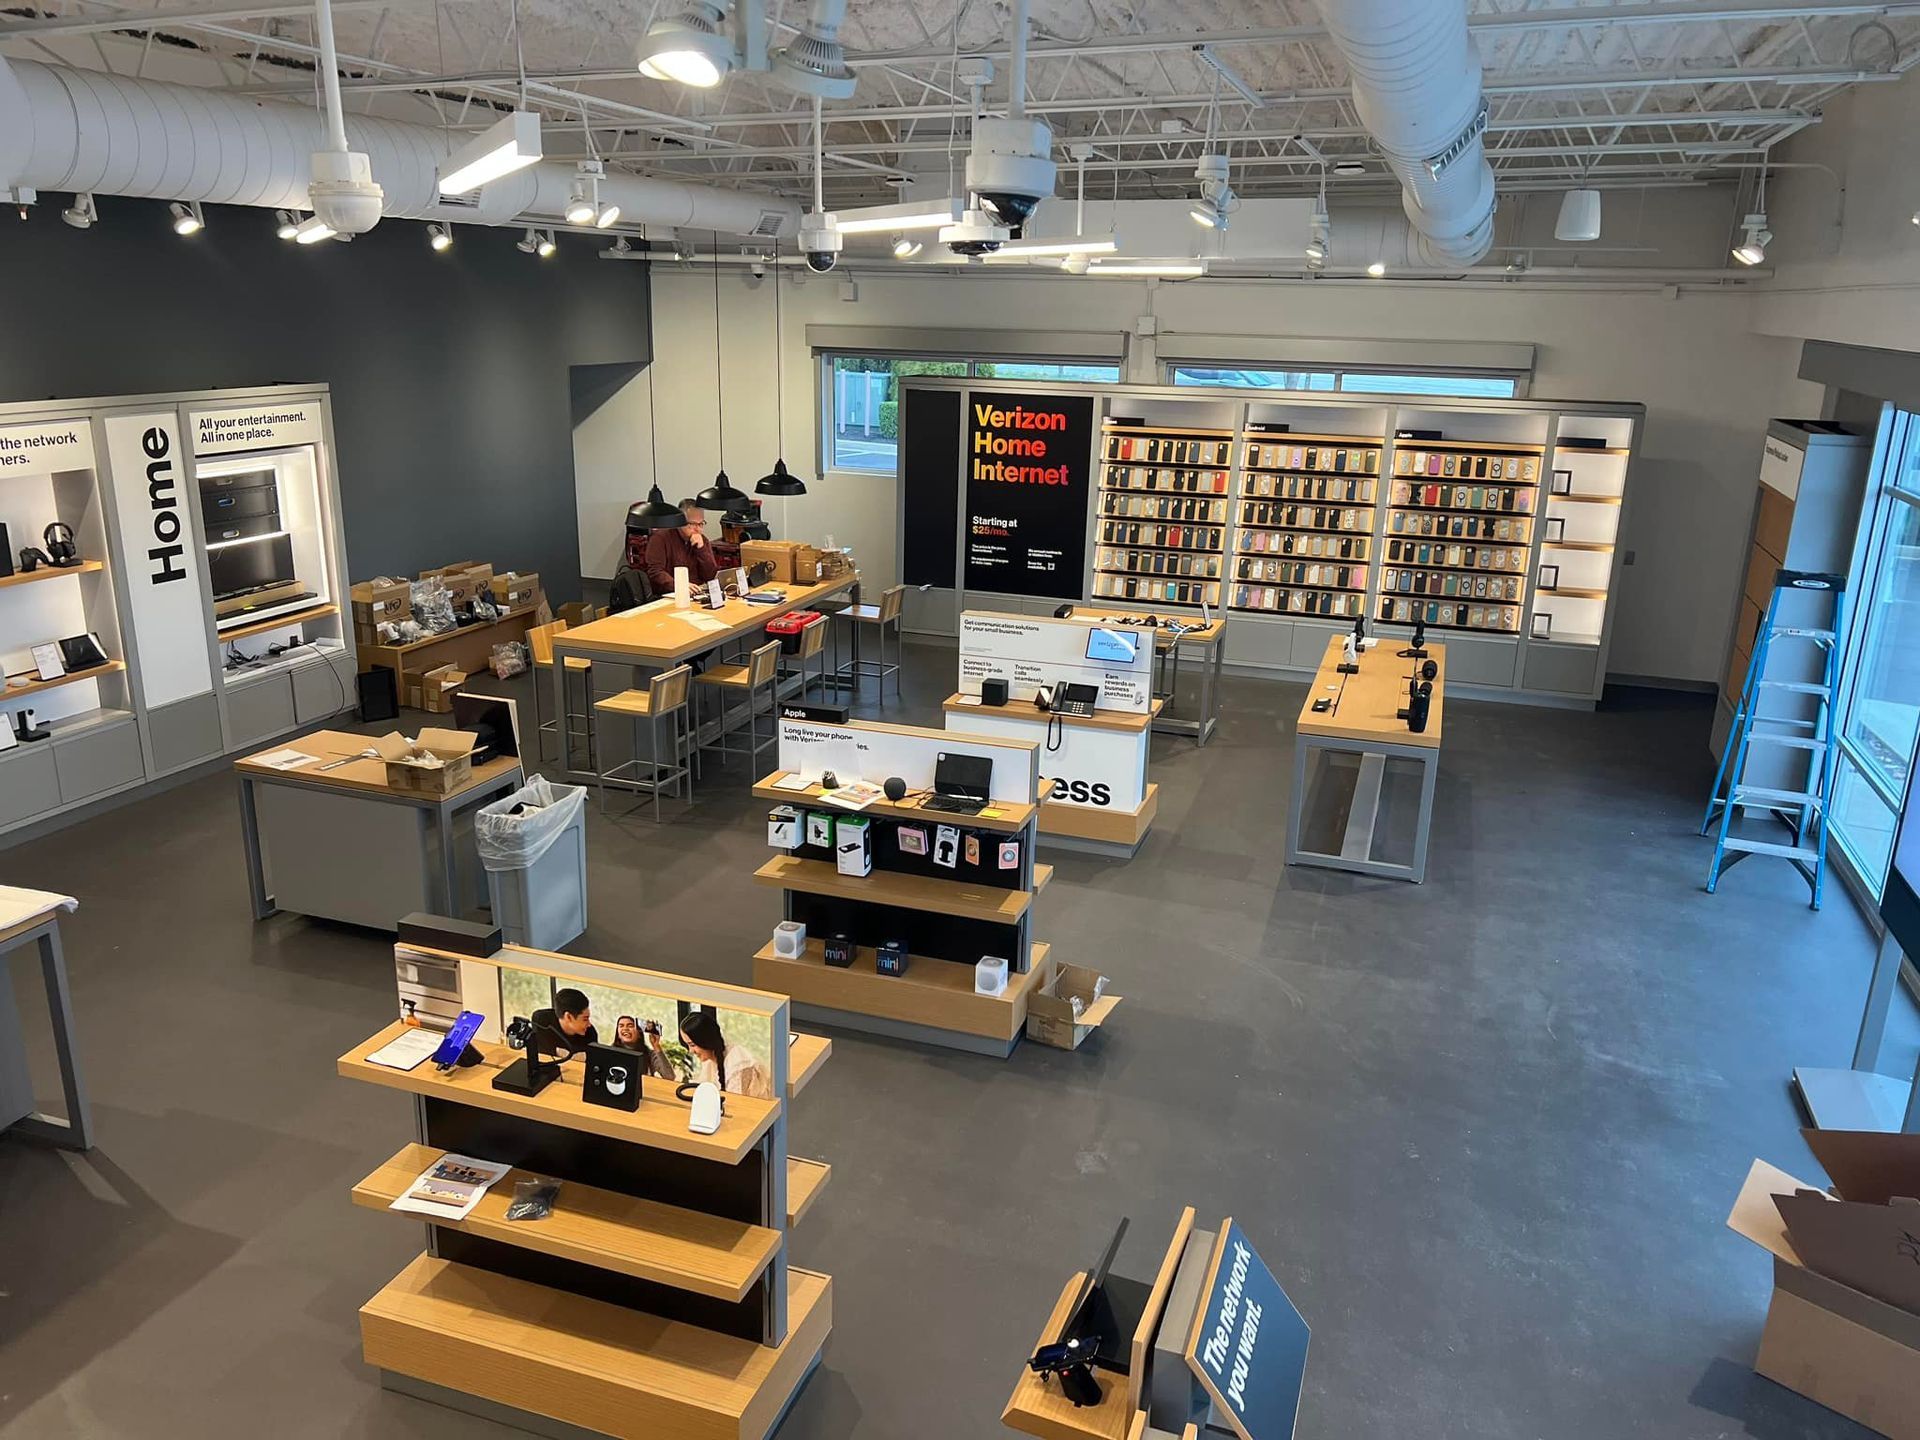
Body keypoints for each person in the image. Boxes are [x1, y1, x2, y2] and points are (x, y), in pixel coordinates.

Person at [679, 1008, 773, 1100]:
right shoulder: (710, 1059)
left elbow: (737, 1107)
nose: (690, 1051)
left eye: (692, 1045)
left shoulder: (738, 1066)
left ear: (705, 1041)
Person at [643, 500, 719, 597]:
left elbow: (711, 576)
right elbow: (655, 572)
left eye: (701, 524)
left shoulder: (702, 540)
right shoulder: (660, 538)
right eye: (692, 524)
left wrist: (701, 549)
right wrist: (680, 585)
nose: (698, 529)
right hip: (670, 595)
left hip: (698, 593)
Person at [531, 987, 597, 1060]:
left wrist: (558, 1052)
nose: (589, 1024)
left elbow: (591, 1060)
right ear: (568, 1017)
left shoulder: (590, 1034)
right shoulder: (541, 1021)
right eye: (585, 1019)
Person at [613, 1014, 677, 1080]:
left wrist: (656, 1046)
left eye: (630, 1026)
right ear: (618, 1035)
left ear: (639, 1034)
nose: (625, 1029)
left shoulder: (649, 1054)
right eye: (621, 1026)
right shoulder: (611, 1053)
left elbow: (670, 1077)